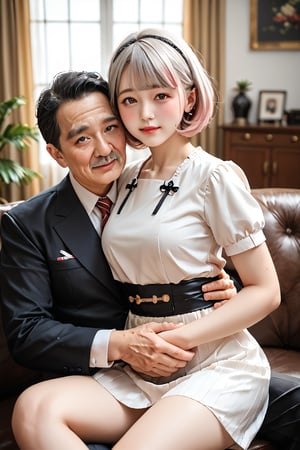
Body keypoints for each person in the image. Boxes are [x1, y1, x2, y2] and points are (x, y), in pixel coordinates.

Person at [7, 30, 288, 450]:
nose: (145, 114)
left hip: (210, 360)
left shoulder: (215, 176)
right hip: (139, 365)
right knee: (32, 409)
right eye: (130, 101)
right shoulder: (126, 181)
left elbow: (265, 291)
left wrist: (199, 303)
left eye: (161, 95)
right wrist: (133, 344)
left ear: (188, 98)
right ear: (57, 152)